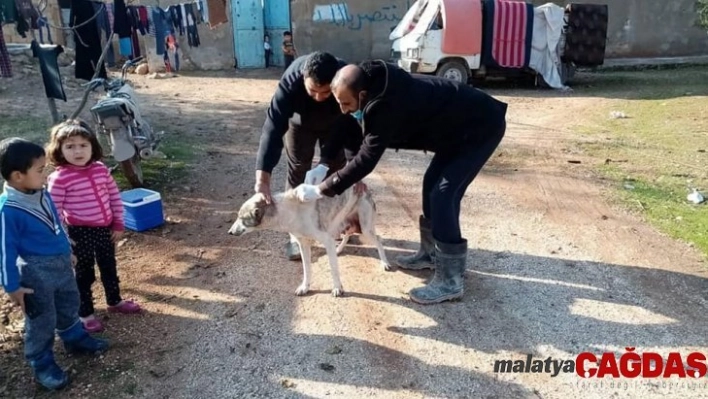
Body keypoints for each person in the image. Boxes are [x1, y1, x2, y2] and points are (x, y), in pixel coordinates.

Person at [293, 60, 507, 305]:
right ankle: (429, 254)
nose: (342, 110)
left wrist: (322, 189)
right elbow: (344, 126)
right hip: (454, 132)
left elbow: (366, 159)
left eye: (346, 104)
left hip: (480, 127)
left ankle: (451, 280)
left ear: (362, 96)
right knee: (431, 185)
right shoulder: (368, 89)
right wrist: (324, 163)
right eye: (339, 103)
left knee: (444, 194)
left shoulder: (386, 105)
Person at [0, 137, 109, 390]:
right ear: (18, 176)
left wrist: (66, 248)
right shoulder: (8, 210)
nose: (45, 174)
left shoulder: (41, 193)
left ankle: (74, 338)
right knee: (41, 319)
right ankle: (42, 362)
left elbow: (57, 223)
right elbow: (4, 251)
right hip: (35, 274)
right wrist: (12, 286)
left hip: (60, 265)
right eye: (39, 170)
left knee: (69, 302)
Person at [254, 51, 360, 261]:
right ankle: (297, 234)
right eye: (313, 91)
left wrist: (355, 169)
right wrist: (262, 180)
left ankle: (335, 224)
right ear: (304, 78)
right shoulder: (290, 83)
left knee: (335, 172)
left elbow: (351, 126)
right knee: (298, 168)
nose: (319, 98)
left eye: (325, 93)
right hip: (300, 125)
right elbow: (272, 130)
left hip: (335, 125)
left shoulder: (344, 79)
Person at [46, 119, 142, 334]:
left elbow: (114, 197)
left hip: (105, 229)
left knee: (109, 266)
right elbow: (55, 212)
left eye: (83, 145)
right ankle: (85, 313)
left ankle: (114, 300)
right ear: (59, 149)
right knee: (83, 274)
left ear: (92, 146)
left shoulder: (100, 170)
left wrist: (118, 223)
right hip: (79, 233)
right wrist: (64, 240)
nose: (78, 151)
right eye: (70, 146)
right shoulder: (59, 178)